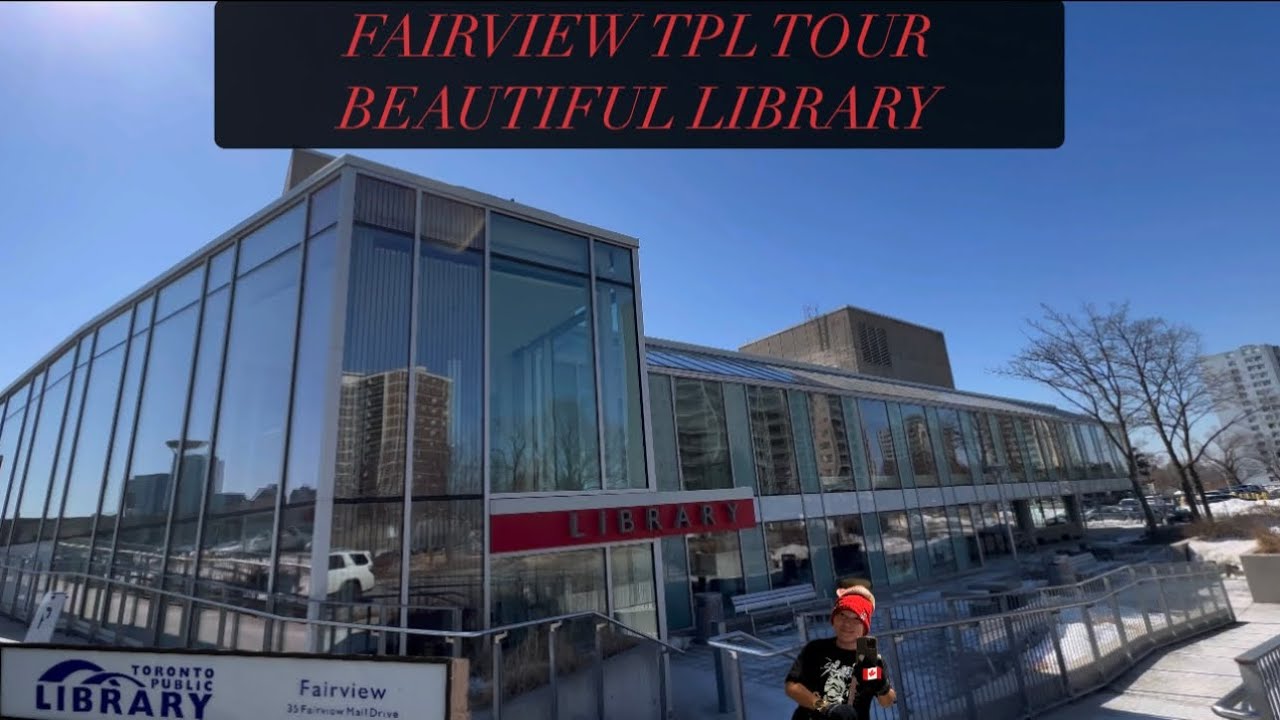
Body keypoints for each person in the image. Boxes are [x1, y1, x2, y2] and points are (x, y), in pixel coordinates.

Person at [783, 588, 897, 720]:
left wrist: (882, 686)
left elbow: (887, 702)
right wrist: (825, 708)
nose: (847, 624)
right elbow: (792, 687)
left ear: (864, 628)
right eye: (842, 615)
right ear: (833, 619)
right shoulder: (815, 649)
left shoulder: (872, 660)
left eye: (856, 619)